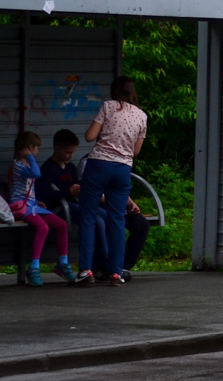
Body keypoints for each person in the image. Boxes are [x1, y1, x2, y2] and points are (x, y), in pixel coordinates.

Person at [39, 129, 149, 282]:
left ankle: (116, 264)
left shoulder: (70, 167)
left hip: (77, 203)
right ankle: (102, 264)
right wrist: (68, 192)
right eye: (67, 153)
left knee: (110, 219)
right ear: (56, 148)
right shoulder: (50, 169)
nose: (70, 156)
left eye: (72, 153)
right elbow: (44, 194)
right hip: (62, 206)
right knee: (97, 221)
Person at [74, 77, 147, 287]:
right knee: (118, 220)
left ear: (114, 90)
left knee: (88, 217)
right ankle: (116, 273)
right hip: (123, 170)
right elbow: (136, 151)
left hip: (98, 165)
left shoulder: (108, 106)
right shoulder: (142, 116)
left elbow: (90, 136)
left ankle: (86, 271)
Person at [9, 131, 74, 286]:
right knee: (43, 227)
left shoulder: (26, 164)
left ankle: (63, 262)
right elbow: (36, 174)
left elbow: (29, 189)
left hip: (32, 205)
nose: (38, 152)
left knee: (61, 225)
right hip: (21, 206)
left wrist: (37, 201)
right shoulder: (18, 165)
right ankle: (34, 267)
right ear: (30, 148)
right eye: (36, 149)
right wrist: (30, 157)